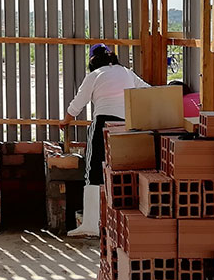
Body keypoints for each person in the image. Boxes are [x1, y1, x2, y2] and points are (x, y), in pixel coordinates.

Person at [61, 44, 150, 187]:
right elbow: (148, 90)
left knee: (94, 169)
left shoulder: (94, 76)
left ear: (92, 61)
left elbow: (76, 106)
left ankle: (94, 206)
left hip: (102, 124)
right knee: (121, 168)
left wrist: (65, 121)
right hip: (126, 125)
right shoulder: (127, 72)